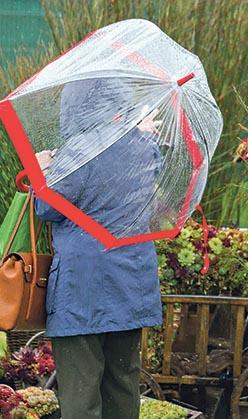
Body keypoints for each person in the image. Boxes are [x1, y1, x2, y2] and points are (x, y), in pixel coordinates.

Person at [34, 78, 163, 419]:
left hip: (83, 289)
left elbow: (47, 207)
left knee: (81, 394)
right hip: (132, 283)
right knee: (122, 387)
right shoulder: (146, 147)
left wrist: (42, 169)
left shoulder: (78, 152)